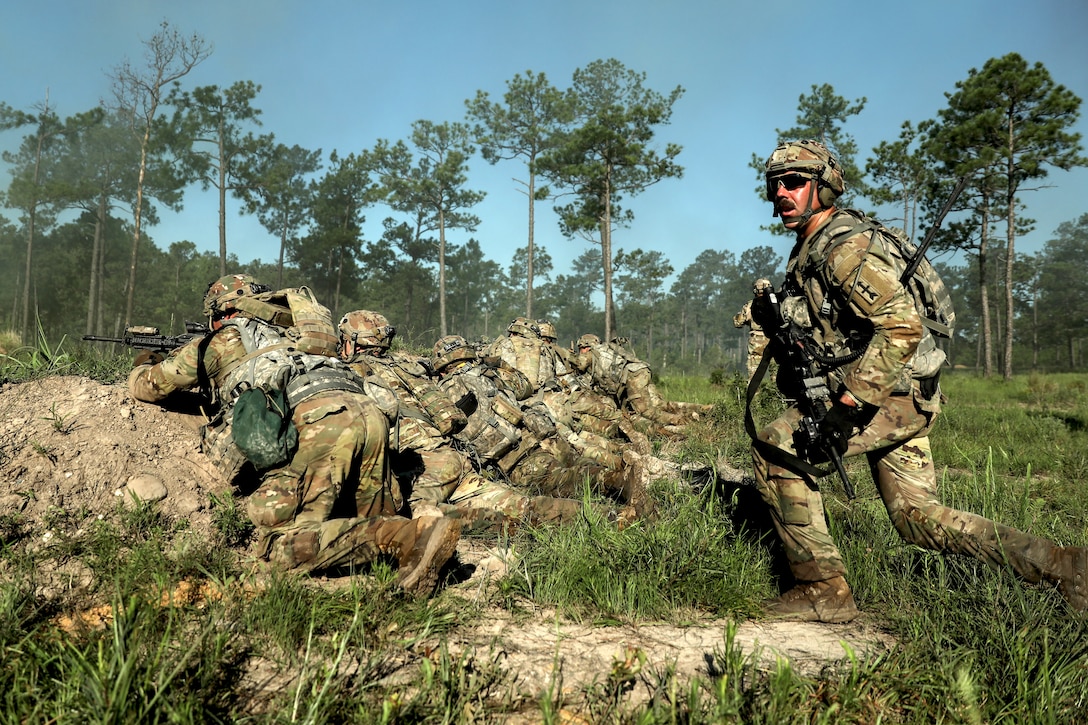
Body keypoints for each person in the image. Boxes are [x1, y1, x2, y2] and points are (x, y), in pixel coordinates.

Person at [749, 139, 1086, 622]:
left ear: (824, 188)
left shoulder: (842, 249)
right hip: (904, 395)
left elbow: (901, 325)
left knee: (777, 445)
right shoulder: (814, 247)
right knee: (918, 519)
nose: (782, 193)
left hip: (889, 396)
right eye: (775, 184)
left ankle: (823, 589)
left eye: (795, 182)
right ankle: (1064, 567)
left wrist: (845, 410)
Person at [128, 274, 460, 596]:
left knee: (278, 549)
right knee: (359, 521)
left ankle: (408, 536)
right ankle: (414, 552)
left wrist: (145, 363)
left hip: (321, 422)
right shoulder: (300, 335)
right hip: (369, 413)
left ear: (225, 312)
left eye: (215, 316)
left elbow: (152, 386)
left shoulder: (224, 339)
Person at [337, 311, 587, 528]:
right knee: (521, 505)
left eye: (344, 341)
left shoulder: (349, 374)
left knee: (410, 517)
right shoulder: (408, 367)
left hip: (422, 469)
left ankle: (438, 532)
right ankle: (607, 517)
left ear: (354, 343)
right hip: (453, 457)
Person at [733, 279, 772, 381]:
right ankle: (776, 395)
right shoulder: (777, 304)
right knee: (776, 374)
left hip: (756, 342)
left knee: (754, 376)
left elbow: (738, 323)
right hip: (774, 341)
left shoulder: (750, 305)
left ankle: (754, 395)